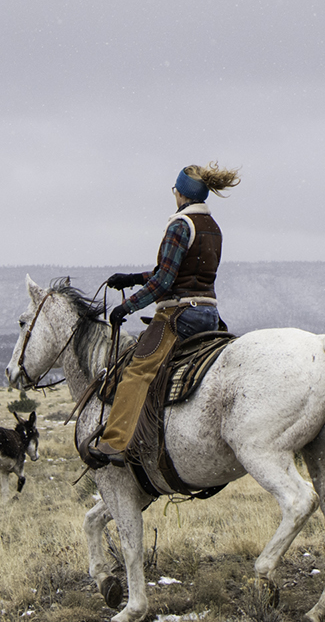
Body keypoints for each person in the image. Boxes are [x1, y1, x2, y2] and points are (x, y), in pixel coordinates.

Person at [85, 163, 241, 468]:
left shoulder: (180, 225)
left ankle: (115, 443)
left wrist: (126, 306)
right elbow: (180, 271)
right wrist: (133, 278)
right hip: (210, 315)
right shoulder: (213, 228)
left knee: (136, 372)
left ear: (179, 193)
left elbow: (165, 282)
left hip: (179, 315)